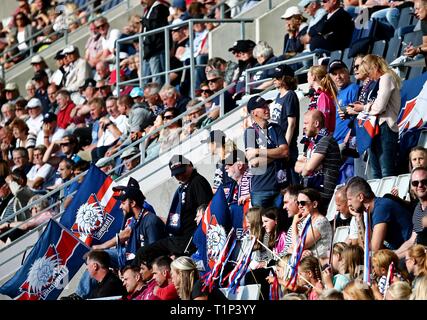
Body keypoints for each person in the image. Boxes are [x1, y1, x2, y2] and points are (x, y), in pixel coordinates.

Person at [137, 155, 213, 260]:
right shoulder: (183, 188)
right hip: (179, 237)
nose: (180, 176)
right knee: (146, 251)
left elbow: (205, 210)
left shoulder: (197, 182)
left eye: (182, 171)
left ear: (190, 165)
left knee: (145, 252)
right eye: (177, 174)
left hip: (189, 239)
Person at [348, 54, 401, 179]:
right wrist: (363, 106)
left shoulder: (386, 77)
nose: (369, 76)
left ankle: (388, 198)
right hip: (375, 129)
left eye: (369, 71)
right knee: (376, 174)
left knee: (386, 172)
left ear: (376, 67)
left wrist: (363, 108)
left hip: (385, 128)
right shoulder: (381, 80)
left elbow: (379, 107)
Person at [244, 95, 289, 208]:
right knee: (260, 224)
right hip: (260, 189)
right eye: (262, 107)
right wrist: (277, 154)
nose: (267, 108)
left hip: (280, 187)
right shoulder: (250, 132)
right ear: (254, 112)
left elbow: (285, 152)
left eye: (267, 105)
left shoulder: (275, 128)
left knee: (280, 223)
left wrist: (258, 151)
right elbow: (255, 163)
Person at [346, 176, 412, 252]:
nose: (348, 204)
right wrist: (358, 218)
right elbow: (366, 249)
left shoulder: (381, 208)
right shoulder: (370, 211)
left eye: (350, 199)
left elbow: (374, 250)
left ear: (361, 197)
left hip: (411, 251)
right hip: (400, 251)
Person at [294, 110, 341, 210]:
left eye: (306, 123)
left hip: (322, 195)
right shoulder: (312, 143)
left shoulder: (325, 140)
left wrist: (308, 165)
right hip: (311, 192)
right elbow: (297, 167)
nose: (303, 126)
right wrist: (310, 164)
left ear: (316, 123)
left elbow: (308, 169)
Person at [269, 64, 300, 184]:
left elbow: (291, 124)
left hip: (287, 146)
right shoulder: (278, 95)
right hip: (278, 144)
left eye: (277, 78)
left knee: (292, 181)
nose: (274, 80)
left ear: (285, 79)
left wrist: (285, 147)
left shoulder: (290, 95)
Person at [291, 188, 332, 263]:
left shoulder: (321, 222)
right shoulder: (307, 221)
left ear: (314, 204)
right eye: (298, 203)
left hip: (319, 264)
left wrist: (294, 224)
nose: (300, 206)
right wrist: (302, 251)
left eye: (303, 203)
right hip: (307, 262)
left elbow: (297, 246)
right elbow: (291, 248)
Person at [140, 0, 169, 85]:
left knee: (157, 78)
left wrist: (143, 21)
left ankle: (158, 95)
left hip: (156, 48)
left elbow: (155, 26)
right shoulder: (148, 10)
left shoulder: (159, 8)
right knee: (145, 79)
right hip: (147, 48)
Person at [306, 65, 337, 133]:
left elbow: (323, 121)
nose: (307, 79)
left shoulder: (323, 95)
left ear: (313, 77)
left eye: (308, 76)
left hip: (321, 139)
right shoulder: (316, 95)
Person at [403, 0, 427, 66]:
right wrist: (414, 49)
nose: (415, 12)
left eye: (418, 9)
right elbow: (425, 44)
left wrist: (418, 50)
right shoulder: (424, 21)